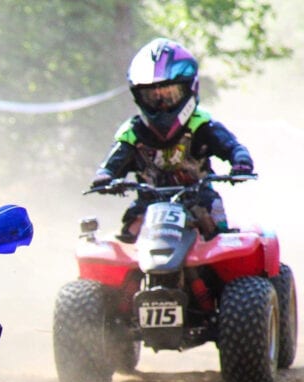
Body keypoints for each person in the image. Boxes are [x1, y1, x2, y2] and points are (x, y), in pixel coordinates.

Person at [90, 38, 254, 242]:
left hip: (197, 198)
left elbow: (232, 147)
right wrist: (105, 176)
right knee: (130, 232)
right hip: (149, 203)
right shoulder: (132, 132)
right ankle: (127, 274)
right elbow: (112, 164)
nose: (162, 105)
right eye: (152, 97)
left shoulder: (201, 125)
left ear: (189, 90)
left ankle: (226, 271)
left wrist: (241, 163)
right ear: (139, 97)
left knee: (216, 229)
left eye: (169, 95)